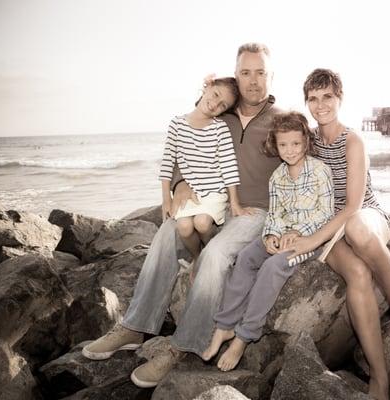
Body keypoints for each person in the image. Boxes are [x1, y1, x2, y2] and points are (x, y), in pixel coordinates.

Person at [81, 43, 282, 389]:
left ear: (271, 76)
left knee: (216, 255)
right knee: (165, 233)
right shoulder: (222, 113)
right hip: (210, 203)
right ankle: (134, 325)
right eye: (245, 72)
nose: (252, 80)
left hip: (252, 213)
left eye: (260, 72)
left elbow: (303, 164)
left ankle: (183, 345)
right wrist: (179, 184)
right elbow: (182, 147)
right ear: (236, 76)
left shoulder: (283, 121)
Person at [285, 68, 390, 400]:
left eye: (327, 97)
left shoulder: (353, 141)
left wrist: (312, 241)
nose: (320, 105)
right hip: (326, 223)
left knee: (356, 228)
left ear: (340, 98)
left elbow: (352, 206)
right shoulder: (309, 142)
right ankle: (380, 377)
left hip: (363, 215)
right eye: (313, 99)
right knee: (358, 274)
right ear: (307, 102)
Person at [202, 111, 334, 371]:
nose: (290, 150)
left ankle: (243, 336)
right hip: (281, 235)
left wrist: (298, 233)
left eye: (296, 144)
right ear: (276, 145)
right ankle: (224, 326)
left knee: (272, 267)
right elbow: (274, 213)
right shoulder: (277, 177)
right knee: (248, 257)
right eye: (283, 145)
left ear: (306, 142)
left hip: (309, 240)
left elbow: (326, 213)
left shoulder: (320, 171)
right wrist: (271, 235)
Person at [159, 77, 244, 270]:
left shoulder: (219, 129)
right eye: (215, 95)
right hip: (192, 192)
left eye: (222, 105)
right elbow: (167, 164)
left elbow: (228, 165)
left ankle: (210, 252)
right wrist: (166, 199)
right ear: (207, 87)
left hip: (214, 191)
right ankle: (198, 257)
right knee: (184, 227)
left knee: (203, 223)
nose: (215, 104)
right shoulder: (177, 124)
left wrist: (234, 202)